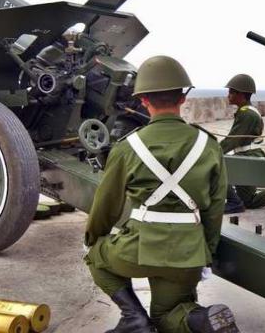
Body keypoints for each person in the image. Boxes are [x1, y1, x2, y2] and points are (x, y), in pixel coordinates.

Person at [84, 55, 239, 333]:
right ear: (183, 98)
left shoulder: (127, 147)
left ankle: (134, 318)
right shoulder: (208, 145)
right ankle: (200, 321)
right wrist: (207, 253)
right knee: (169, 314)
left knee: (96, 256)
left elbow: (105, 204)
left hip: (137, 249)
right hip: (188, 252)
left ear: (143, 100)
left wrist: (93, 239)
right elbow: (215, 208)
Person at [220, 74, 265, 212]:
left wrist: (212, 152)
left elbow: (232, 140)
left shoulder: (247, 114)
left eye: (231, 92)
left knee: (217, 167)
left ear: (241, 94)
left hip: (248, 157)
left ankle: (234, 203)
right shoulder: (246, 111)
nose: (228, 95)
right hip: (247, 155)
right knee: (249, 201)